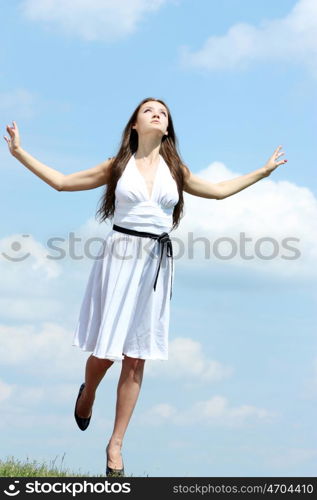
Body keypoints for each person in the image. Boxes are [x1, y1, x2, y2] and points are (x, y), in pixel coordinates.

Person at [4, 97, 287, 476]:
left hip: (156, 262)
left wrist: (262, 172)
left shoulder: (176, 169)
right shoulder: (117, 166)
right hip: (119, 258)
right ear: (135, 125)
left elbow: (218, 191)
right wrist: (20, 153)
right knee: (106, 353)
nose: (157, 114)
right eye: (148, 111)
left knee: (137, 356)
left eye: (163, 113)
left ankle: (115, 445)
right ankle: (87, 393)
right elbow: (62, 182)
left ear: (167, 128)